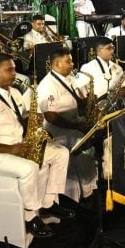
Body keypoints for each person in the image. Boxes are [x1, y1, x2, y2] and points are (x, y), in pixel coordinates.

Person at [0, 53, 73, 237]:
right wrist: (10, 149)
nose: (15, 73)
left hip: (19, 145)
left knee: (61, 153)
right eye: (9, 70)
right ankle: (30, 217)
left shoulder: (14, 92)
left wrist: (33, 120)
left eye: (15, 69)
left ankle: (48, 204)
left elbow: (21, 119)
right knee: (30, 168)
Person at [36, 49, 97, 202]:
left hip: (73, 123)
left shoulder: (68, 78)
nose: (73, 64)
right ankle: (78, 194)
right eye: (68, 61)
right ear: (56, 64)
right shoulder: (48, 85)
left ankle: (89, 187)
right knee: (83, 144)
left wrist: (88, 100)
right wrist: (76, 127)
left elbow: (75, 99)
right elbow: (50, 116)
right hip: (57, 131)